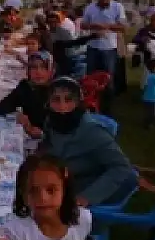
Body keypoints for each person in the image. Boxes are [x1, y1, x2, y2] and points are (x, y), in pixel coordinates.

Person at [36, 77, 135, 207]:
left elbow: (122, 167)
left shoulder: (92, 131)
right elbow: (49, 142)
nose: (62, 106)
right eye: (56, 100)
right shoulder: (52, 120)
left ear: (78, 102)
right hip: (60, 177)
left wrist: (86, 198)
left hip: (87, 184)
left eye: (68, 100)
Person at [0, 53, 53, 138]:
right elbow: (1, 107)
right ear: (28, 71)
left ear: (51, 71)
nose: (38, 72)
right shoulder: (26, 86)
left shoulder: (57, 92)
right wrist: (17, 115)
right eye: (33, 67)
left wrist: (43, 134)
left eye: (43, 67)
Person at [80, 0, 127, 78]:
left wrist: (107, 26)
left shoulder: (117, 7)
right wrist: (94, 25)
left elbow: (123, 27)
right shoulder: (90, 8)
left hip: (109, 47)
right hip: (93, 46)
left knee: (108, 76)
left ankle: (109, 92)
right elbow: (83, 25)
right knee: (91, 75)